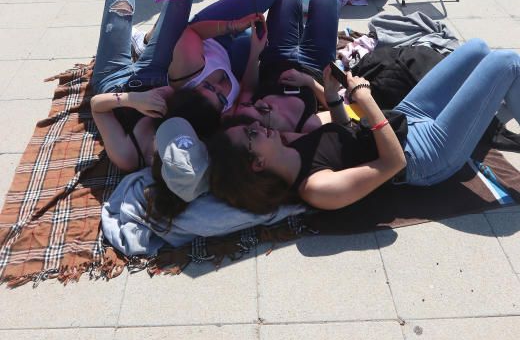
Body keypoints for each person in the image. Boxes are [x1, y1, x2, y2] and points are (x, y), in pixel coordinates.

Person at [209, 38, 520, 213]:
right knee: (506, 61)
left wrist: (332, 98)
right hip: (424, 155)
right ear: (257, 164)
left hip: (402, 118)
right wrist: (365, 100)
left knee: (477, 48)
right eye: (251, 134)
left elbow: (345, 136)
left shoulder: (289, 142)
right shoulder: (317, 189)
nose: (258, 126)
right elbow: (392, 162)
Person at [91, 0, 281, 171]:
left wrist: (133, 99)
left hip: (113, 80)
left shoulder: (128, 157)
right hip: (154, 72)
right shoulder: (195, 124)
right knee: (243, 39)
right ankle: (146, 43)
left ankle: (146, 42)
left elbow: (97, 106)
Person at [234, 0, 340, 133]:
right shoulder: (305, 127)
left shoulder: (243, 116)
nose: (261, 102)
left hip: (276, 56)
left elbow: (247, 90)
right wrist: (308, 82)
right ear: (267, 132)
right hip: (315, 64)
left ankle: (301, 29)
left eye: (252, 104)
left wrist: (256, 53)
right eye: (264, 111)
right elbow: (336, 110)